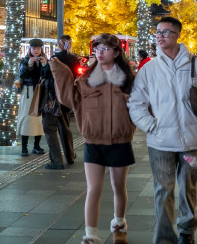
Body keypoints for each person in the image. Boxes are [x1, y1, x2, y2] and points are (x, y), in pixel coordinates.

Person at [128, 16, 197, 244]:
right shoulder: (149, 69)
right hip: (160, 142)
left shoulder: (194, 64)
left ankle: (186, 231)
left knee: (188, 189)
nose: (160, 36)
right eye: (158, 33)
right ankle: (164, 238)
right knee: (163, 189)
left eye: (165, 32)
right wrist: (151, 126)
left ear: (177, 35)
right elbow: (136, 103)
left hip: (190, 141)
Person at [51, 33, 135, 244]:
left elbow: (143, 105)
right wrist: (57, 68)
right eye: (97, 48)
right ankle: (90, 235)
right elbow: (68, 98)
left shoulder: (128, 80)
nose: (100, 52)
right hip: (93, 142)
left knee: (118, 186)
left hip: (120, 141)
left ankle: (119, 221)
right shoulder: (86, 79)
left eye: (105, 48)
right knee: (93, 188)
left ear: (117, 52)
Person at [50, 34, 81, 164]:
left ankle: (67, 155)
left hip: (56, 94)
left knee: (58, 127)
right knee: (65, 125)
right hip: (69, 94)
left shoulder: (56, 58)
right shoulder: (74, 58)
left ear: (60, 44)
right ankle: (70, 153)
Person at [17, 39, 45, 156]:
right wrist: (29, 64)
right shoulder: (24, 60)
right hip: (28, 92)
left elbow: (47, 75)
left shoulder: (44, 60)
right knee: (26, 118)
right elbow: (21, 75)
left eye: (38, 48)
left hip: (40, 92)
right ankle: (24, 147)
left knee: (39, 120)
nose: (36, 51)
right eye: (34, 48)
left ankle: (36, 146)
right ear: (30, 49)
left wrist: (45, 65)